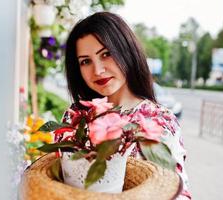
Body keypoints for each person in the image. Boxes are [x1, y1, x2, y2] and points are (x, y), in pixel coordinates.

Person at [63, 12, 191, 199]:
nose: (97, 70)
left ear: (126, 51)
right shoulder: (76, 116)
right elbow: (59, 179)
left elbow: (177, 192)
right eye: (85, 61)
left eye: (106, 54)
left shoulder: (159, 121)